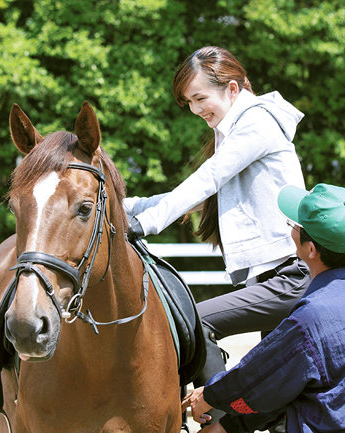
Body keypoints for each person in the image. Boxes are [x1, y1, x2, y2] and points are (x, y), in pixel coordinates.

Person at [125, 46, 311, 426]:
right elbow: (200, 192)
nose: (195, 110)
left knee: (195, 321)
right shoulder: (233, 132)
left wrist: (148, 224)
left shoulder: (257, 123)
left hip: (292, 275)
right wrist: (124, 206)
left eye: (199, 98)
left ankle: (215, 411)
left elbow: (207, 179)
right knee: (279, 394)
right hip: (272, 277)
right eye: (189, 102)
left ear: (230, 88)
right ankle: (225, 419)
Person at [182, 182, 345, 432]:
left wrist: (208, 396)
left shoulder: (310, 319)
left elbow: (258, 378)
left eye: (294, 225)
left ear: (311, 249)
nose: (291, 229)